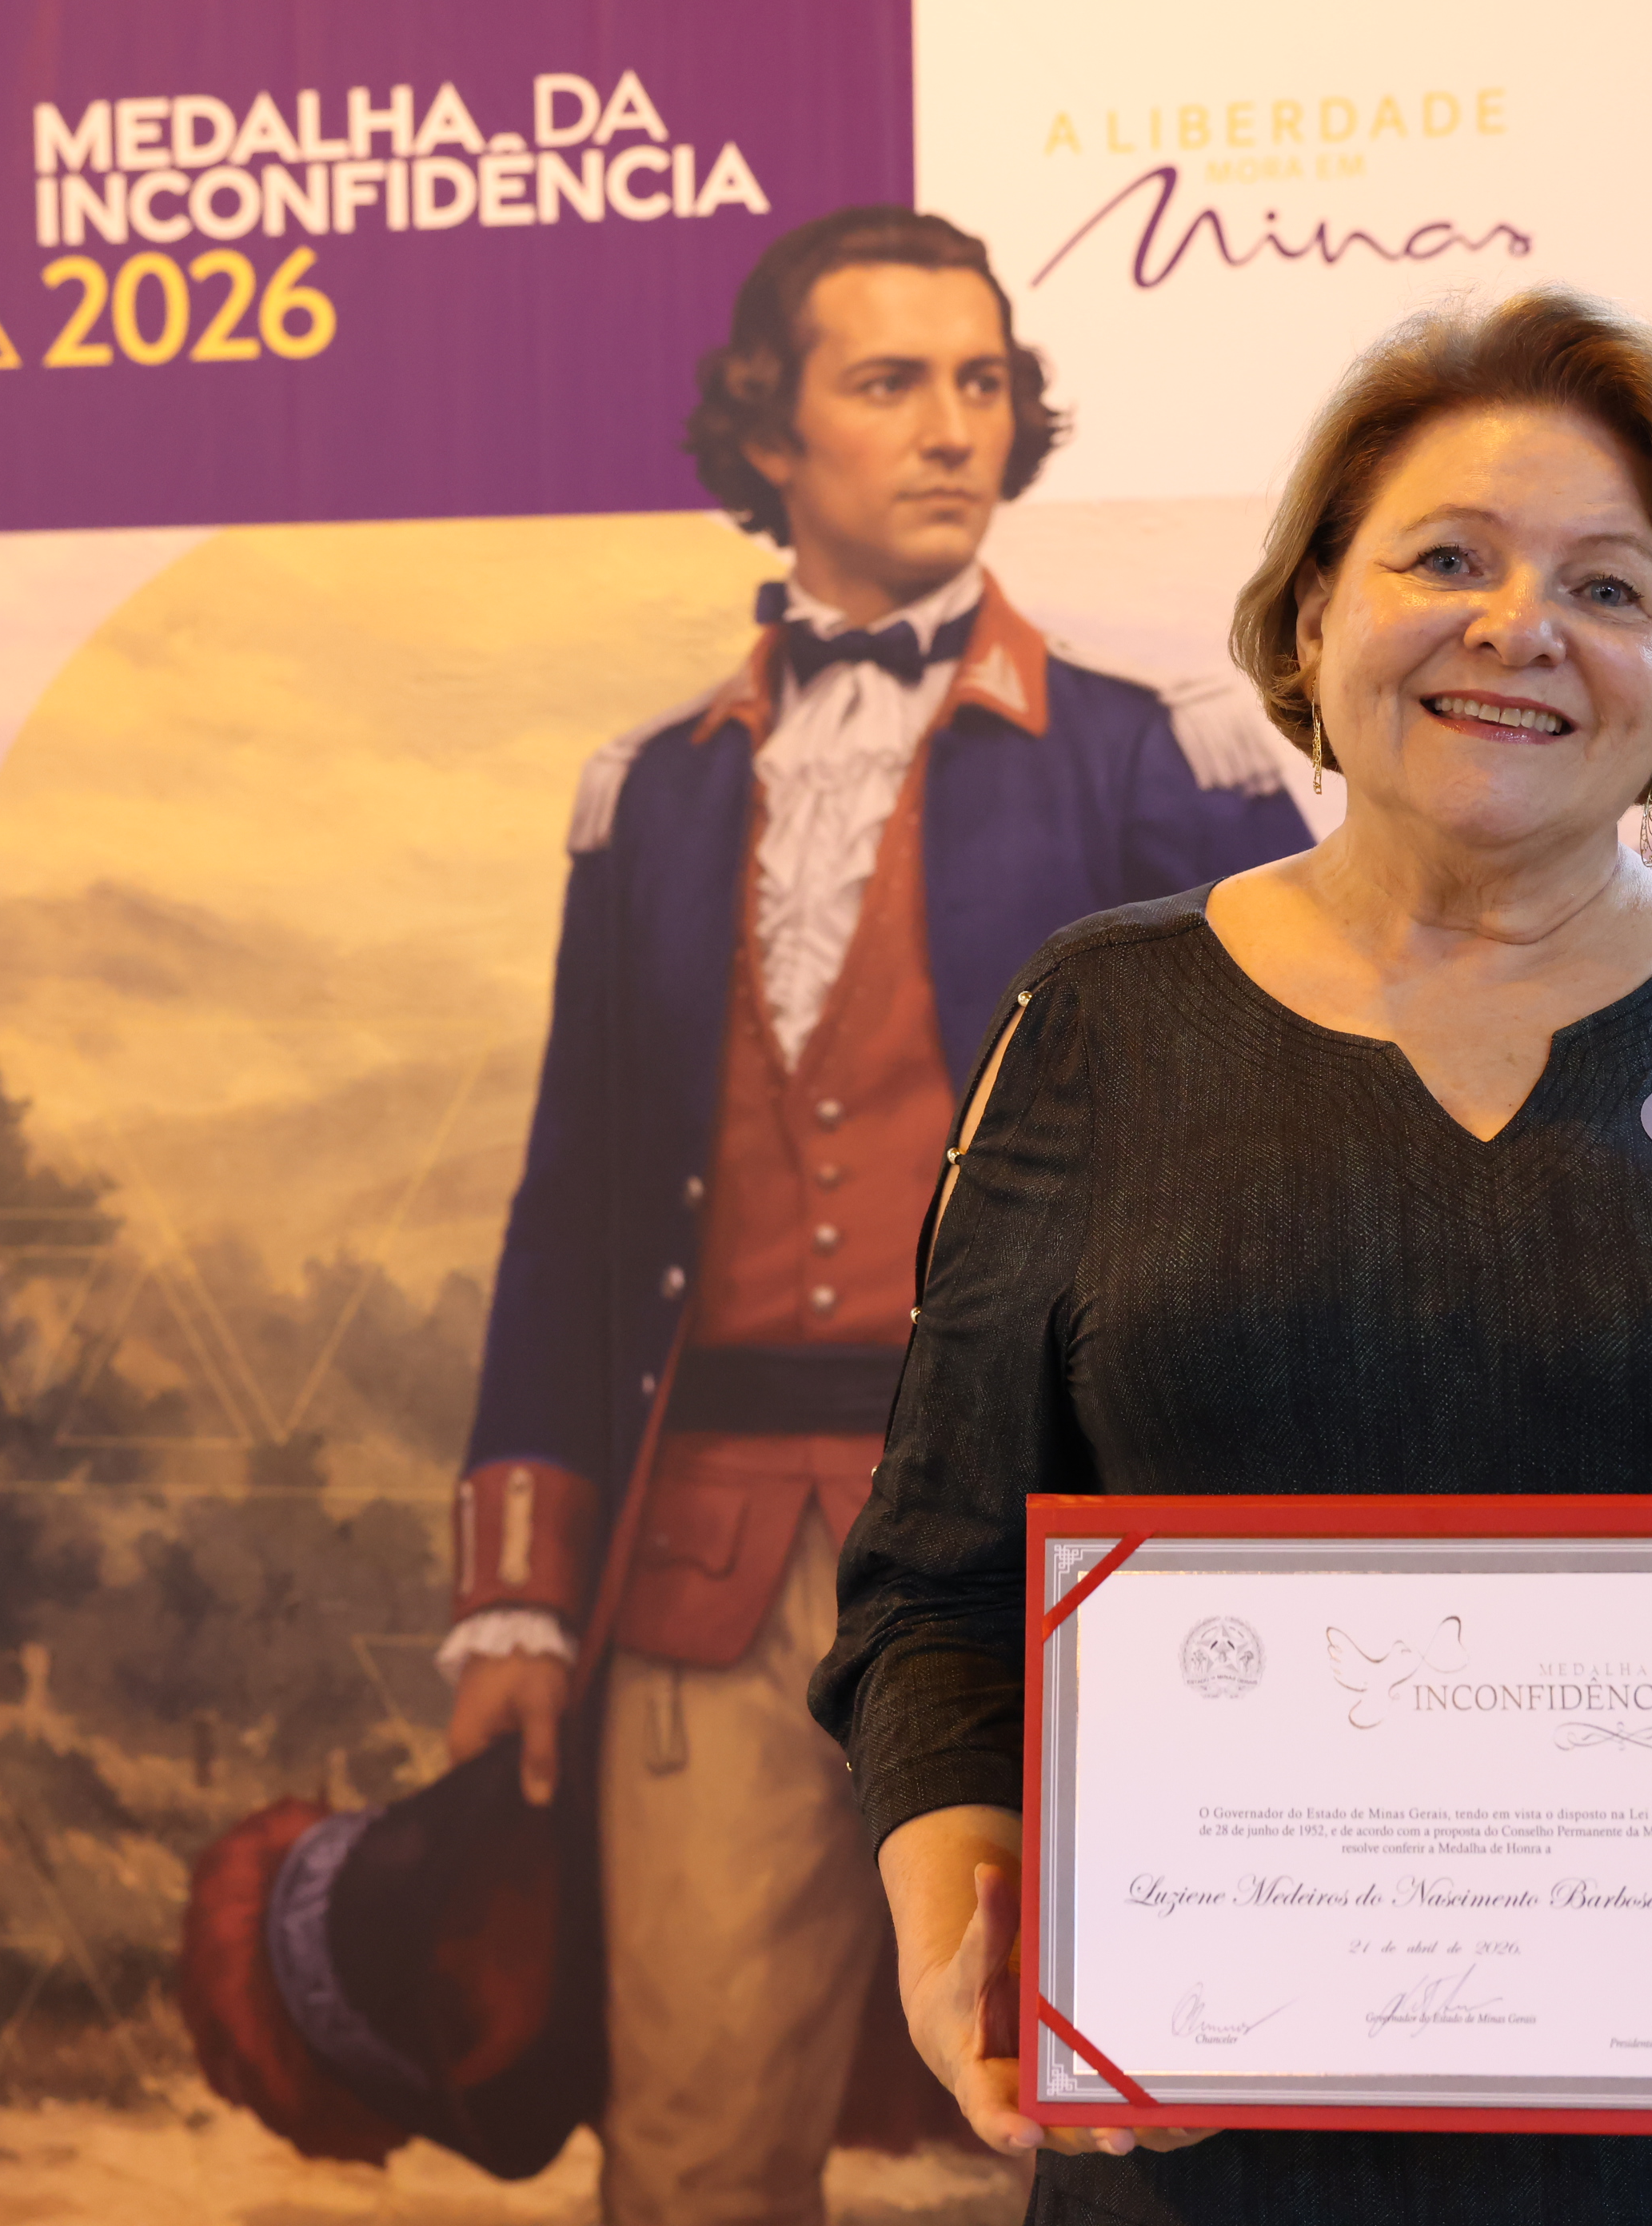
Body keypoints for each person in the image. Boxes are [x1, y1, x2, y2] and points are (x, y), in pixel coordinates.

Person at [809, 287, 1652, 2224]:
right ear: (1312, 613)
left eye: (1611, 587)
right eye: (1447, 559)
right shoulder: (1099, 1023)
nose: (1520, 627)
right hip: (1205, 2155)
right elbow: (937, 1589)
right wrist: (956, 1942)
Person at [421, 206, 1315, 2223]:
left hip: (1058, 1557)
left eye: (981, 381)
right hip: (711, 1569)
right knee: (694, 2156)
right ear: (772, 430)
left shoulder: (1159, 762)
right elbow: (571, 1217)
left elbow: (1287, 1192)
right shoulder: (648, 797)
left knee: (1121, 2125)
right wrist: (519, 1601)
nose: (951, 426)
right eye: (890, 381)